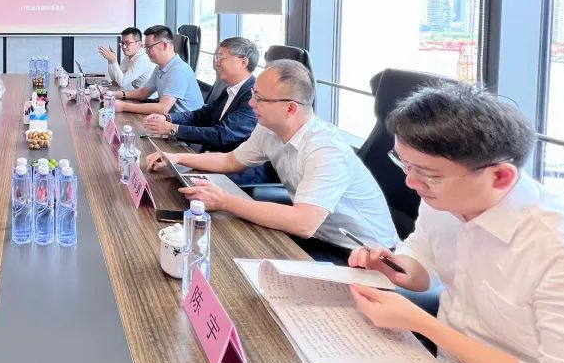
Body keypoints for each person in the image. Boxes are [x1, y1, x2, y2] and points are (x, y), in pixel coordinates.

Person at [344, 83, 564, 363]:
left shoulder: (561, 252)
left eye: (428, 174)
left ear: (500, 176)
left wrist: (425, 325)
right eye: (404, 164)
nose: (411, 183)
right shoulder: (444, 200)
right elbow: (422, 256)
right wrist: (396, 267)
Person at [146, 59, 397, 259]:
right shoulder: (268, 129)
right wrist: (176, 157)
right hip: (317, 237)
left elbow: (304, 223)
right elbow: (231, 161)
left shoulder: (325, 149)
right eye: (253, 95)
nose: (251, 104)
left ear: (290, 108)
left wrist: (224, 201)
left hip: (361, 256)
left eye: (260, 99)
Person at [142, 36, 266, 186]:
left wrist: (173, 129)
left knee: (162, 183)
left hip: (235, 175)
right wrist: (168, 118)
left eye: (221, 57)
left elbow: (223, 135)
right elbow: (201, 115)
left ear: (243, 62)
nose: (216, 63)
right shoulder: (230, 89)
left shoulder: (253, 96)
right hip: (211, 161)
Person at [111, 25, 205, 115]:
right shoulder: (160, 67)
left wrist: (123, 106)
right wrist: (116, 94)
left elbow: (162, 108)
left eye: (149, 47)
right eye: (145, 47)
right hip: (168, 118)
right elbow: (143, 93)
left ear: (164, 45)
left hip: (185, 123)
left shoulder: (179, 70)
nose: (146, 52)